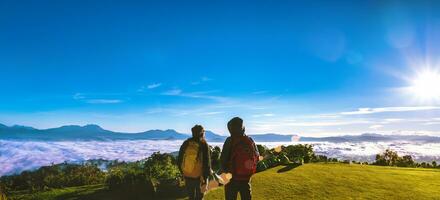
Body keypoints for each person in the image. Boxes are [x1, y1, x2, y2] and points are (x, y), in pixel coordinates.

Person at [220, 117, 259, 200]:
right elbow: (257, 156)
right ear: (242, 128)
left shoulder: (229, 140)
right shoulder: (249, 140)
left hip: (231, 179)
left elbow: (223, 159)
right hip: (246, 178)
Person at [178, 125, 212, 200]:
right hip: (200, 177)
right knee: (200, 197)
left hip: (187, 175)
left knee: (191, 197)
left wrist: (183, 172)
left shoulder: (186, 143)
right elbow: (207, 163)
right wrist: (206, 177)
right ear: (202, 133)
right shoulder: (203, 144)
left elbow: (179, 160)